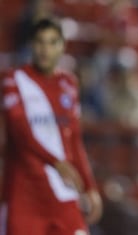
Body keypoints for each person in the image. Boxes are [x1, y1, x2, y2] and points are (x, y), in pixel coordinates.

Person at [0, 19, 102, 235]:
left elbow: (74, 139)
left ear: (62, 46)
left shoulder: (69, 84)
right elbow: (20, 132)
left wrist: (90, 186)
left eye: (52, 42)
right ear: (31, 44)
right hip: (24, 197)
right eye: (40, 42)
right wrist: (57, 163)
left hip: (62, 195)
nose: (45, 49)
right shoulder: (14, 80)